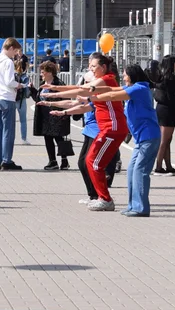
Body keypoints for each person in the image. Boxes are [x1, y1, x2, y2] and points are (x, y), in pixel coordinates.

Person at [45, 53, 128, 211]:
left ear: (103, 68)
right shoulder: (99, 84)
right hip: (108, 129)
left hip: (112, 128)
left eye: (94, 67)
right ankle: (100, 195)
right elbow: (79, 96)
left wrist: (56, 90)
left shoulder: (107, 79)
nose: (91, 70)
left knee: (93, 161)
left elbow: (80, 90)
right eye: (90, 67)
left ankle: (104, 198)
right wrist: (55, 94)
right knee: (91, 161)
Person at [85, 63, 161, 217]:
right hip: (140, 140)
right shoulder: (134, 88)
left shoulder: (140, 88)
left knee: (140, 172)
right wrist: (94, 89)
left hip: (149, 137)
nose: (124, 77)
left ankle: (141, 208)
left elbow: (113, 95)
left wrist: (93, 96)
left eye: (125, 74)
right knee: (132, 171)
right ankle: (133, 205)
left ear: (132, 76)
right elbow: (113, 89)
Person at [0, 38, 24, 171]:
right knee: (8, 131)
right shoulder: (8, 62)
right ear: (10, 48)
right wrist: (19, 85)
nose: (15, 55)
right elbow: (10, 82)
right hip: (7, 98)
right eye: (15, 52)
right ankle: (6, 160)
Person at [32, 62, 70, 170]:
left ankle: (64, 160)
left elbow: (66, 98)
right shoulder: (43, 83)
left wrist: (65, 113)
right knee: (48, 138)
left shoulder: (58, 83)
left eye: (43, 72)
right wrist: (32, 90)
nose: (41, 74)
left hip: (56, 114)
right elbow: (39, 99)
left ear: (49, 72)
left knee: (59, 138)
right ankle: (52, 161)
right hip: (45, 115)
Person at [153, 55, 175, 175]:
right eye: (174, 63)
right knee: (164, 140)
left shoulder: (160, 78)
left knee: (167, 139)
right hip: (168, 110)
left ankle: (168, 166)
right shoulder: (170, 79)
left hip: (161, 109)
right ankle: (159, 167)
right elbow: (172, 96)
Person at [14, 58, 31, 145]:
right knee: (23, 120)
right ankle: (23, 138)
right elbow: (28, 91)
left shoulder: (12, 75)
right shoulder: (25, 77)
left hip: (12, 99)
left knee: (10, 120)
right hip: (22, 100)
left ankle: (10, 138)